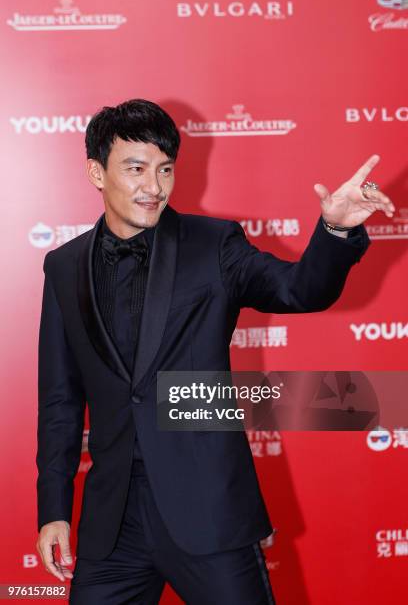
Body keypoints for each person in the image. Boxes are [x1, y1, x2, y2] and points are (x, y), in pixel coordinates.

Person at [35, 99, 394, 604]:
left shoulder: (214, 244)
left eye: (165, 170)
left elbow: (299, 291)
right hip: (112, 523)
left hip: (208, 511)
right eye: (136, 169)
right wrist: (53, 508)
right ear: (96, 172)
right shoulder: (64, 267)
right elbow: (59, 403)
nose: (153, 187)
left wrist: (335, 230)